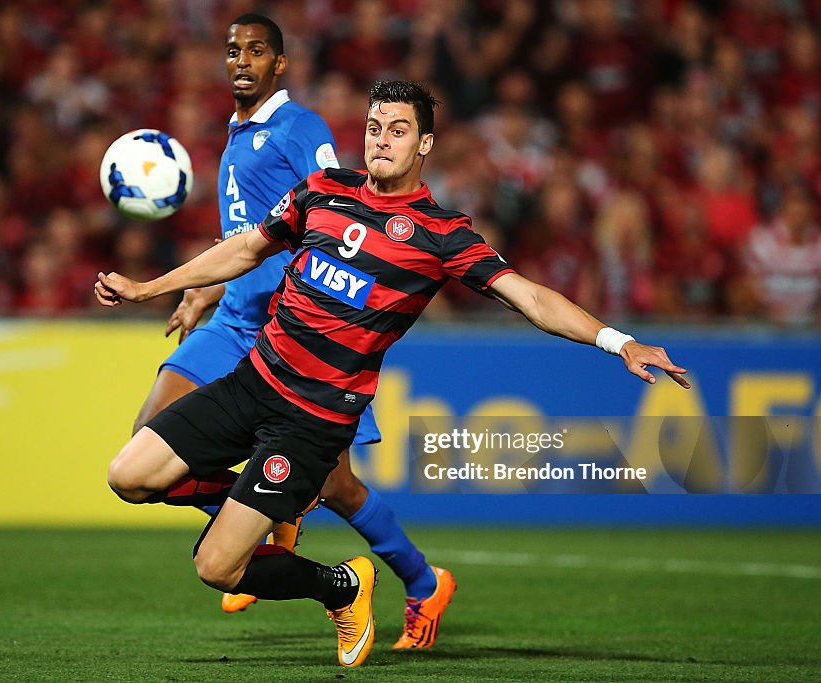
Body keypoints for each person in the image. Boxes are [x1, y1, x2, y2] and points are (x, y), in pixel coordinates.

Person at [94, 80, 690, 668]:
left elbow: (530, 298)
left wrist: (620, 341)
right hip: (252, 381)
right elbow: (246, 250)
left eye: (398, 131)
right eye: (374, 128)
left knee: (216, 568)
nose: (381, 140)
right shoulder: (323, 190)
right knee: (129, 475)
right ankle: (272, 511)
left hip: (311, 421)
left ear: (425, 144)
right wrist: (151, 288)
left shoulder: (440, 233)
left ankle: (342, 588)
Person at [131, 14, 454, 649]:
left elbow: (336, 209)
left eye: (256, 51)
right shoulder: (237, 134)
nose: (242, 61)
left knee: (336, 485)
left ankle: (420, 582)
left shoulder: (301, 129)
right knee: (145, 447)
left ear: (279, 64)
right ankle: (258, 521)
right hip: (232, 319)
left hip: (292, 329)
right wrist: (204, 285)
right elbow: (248, 234)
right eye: (232, 51)